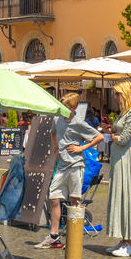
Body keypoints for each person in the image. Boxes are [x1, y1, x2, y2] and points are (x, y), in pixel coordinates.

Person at [34, 93, 103, 249]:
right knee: (53, 197)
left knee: (74, 201)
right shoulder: (58, 119)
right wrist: (55, 148)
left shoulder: (78, 122)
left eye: (65, 105)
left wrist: (82, 147)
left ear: (74, 108)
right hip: (62, 165)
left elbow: (99, 137)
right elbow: (52, 133)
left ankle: (73, 238)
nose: (62, 107)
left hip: (76, 165)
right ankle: (54, 236)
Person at [106, 80, 131, 257]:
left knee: (126, 195)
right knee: (119, 196)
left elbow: (124, 138)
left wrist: (114, 136)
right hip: (118, 158)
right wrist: (113, 131)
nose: (115, 97)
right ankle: (123, 240)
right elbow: (119, 134)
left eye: (117, 94)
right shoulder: (125, 111)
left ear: (126, 94)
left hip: (125, 158)